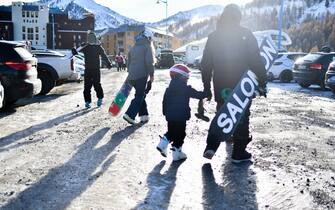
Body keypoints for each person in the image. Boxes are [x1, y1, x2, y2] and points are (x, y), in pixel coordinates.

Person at [201, 4, 267, 163]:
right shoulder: (246, 34)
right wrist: (262, 82)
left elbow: (206, 64)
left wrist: (206, 87)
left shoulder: (214, 36)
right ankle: (238, 152)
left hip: (220, 84)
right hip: (241, 84)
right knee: (241, 115)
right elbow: (256, 61)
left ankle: (211, 145)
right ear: (238, 17)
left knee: (222, 114)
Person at [157, 64, 209, 161]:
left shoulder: (168, 90)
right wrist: (206, 93)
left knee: (172, 132)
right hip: (181, 116)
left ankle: (163, 142)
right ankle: (177, 152)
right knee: (181, 134)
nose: (188, 79)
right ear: (182, 77)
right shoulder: (186, 89)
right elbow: (198, 95)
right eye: (187, 77)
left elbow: (164, 102)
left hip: (170, 116)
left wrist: (165, 113)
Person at [123, 28, 155, 125]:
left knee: (140, 95)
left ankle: (144, 116)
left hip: (132, 75)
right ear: (148, 37)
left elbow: (128, 61)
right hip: (141, 75)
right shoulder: (147, 46)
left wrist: (130, 71)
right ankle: (129, 114)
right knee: (140, 95)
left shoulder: (134, 46)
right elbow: (149, 62)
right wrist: (152, 75)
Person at [72, 31, 112, 108]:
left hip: (96, 69)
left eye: (92, 37)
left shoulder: (98, 47)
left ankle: (100, 98)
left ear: (94, 38)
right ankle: (87, 101)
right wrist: (74, 50)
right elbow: (76, 52)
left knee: (97, 84)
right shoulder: (85, 46)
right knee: (87, 86)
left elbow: (104, 56)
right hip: (88, 69)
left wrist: (108, 63)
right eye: (89, 38)